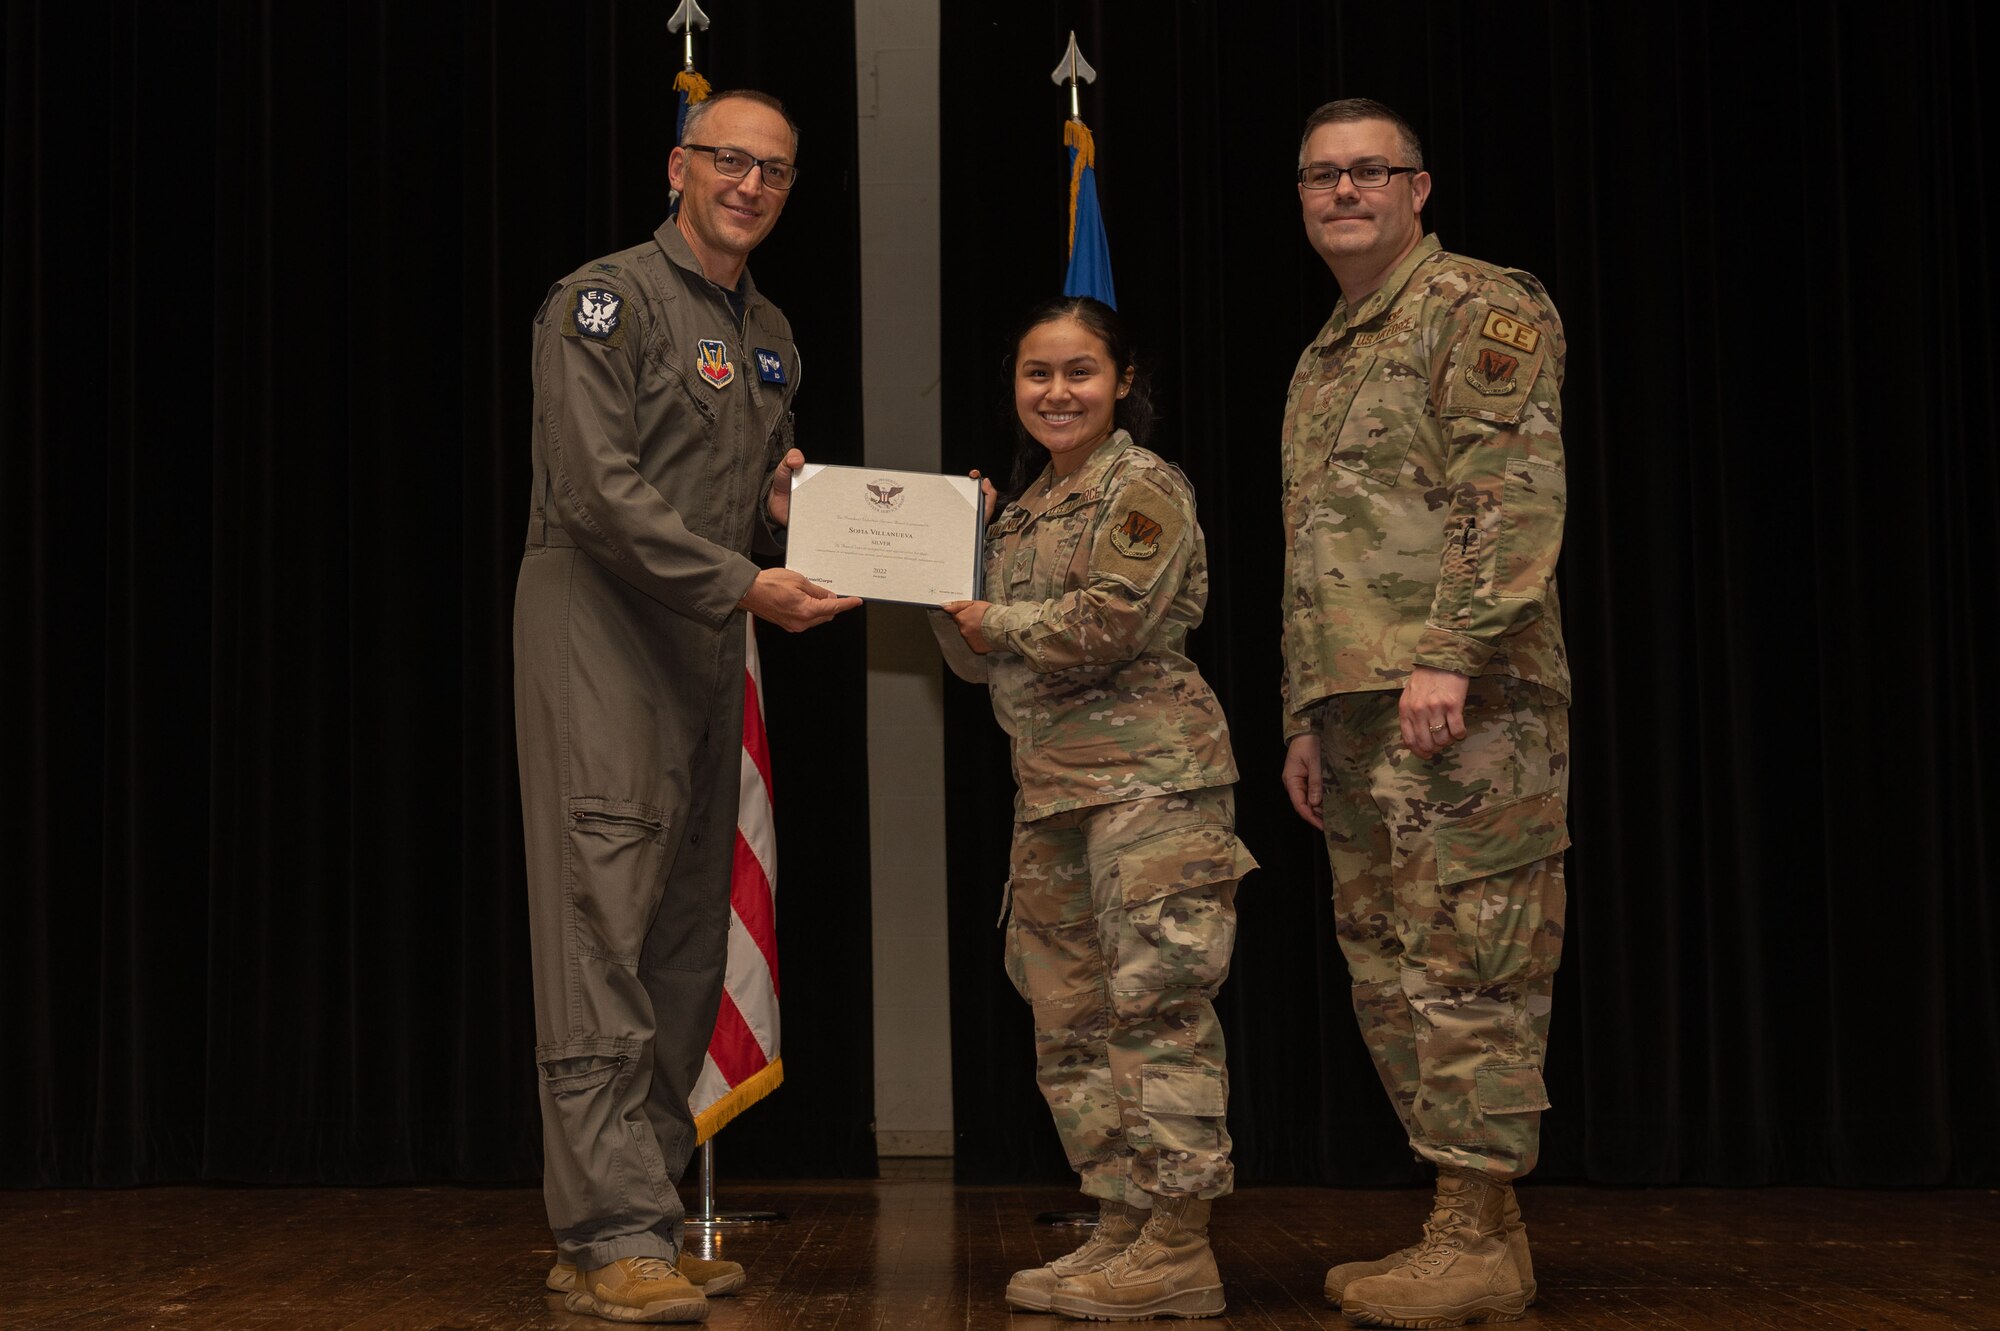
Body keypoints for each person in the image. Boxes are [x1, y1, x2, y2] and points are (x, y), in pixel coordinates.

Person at [513, 89, 859, 1325]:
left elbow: (750, 478)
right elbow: (595, 489)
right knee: (597, 932)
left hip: (708, 644)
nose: (750, 185)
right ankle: (605, 1230)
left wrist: (796, 502)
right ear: (679, 166)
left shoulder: (766, 327)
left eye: (774, 169)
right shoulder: (600, 300)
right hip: (602, 632)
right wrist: (746, 577)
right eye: (729, 161)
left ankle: (639, 1216)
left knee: (678, 943)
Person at [1276, 98, 1572, 1329]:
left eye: (1368, 172)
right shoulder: (1326, 349)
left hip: (1468, 699)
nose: (1343, 192)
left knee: (1471, 961)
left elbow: (1502, 490)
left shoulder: (1477, 307)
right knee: (1391, 973)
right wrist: (1303, 710)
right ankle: (1476, 1235)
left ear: (1417, 188)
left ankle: (1471, 1232)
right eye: (1320, 177)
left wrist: (1449, 653)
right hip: (1357, 713)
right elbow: (1317, 555)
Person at [933, 296, 1257, 1322]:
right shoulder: (1021, 509)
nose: (1056, 391)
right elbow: (971, 656)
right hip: (1053, 792)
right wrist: (951, 565)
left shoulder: (1140, 484)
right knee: (1068, 1017)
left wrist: (996, 616)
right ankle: (1119, 1221)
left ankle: (1177, 1240)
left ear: (1119, 382)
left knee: (1154, 1007)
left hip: (1150, 786)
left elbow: (1108, 623)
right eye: (1036, 374)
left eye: (1078, 372)